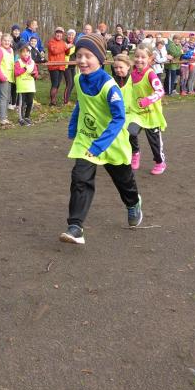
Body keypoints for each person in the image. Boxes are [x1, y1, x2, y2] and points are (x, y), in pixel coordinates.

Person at [60, 33, 142, 245]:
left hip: (111, 142)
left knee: (124, 181)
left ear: (100, 58)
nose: (82, 60)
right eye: (79, 55)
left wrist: (100, 146)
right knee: (80, 178)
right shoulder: (78, 79)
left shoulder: (109, 87)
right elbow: (81, 104)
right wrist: (73, 127)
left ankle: (133, 203)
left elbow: (119, 118)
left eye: (88, 56)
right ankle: (75, 227)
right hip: (86, 139)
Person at [127, 45, 167, 174]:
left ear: (149, 59)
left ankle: (160, 162)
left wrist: (148, 100)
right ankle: (135, 153)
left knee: (154, 142)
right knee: (129, 132)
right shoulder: (132, 74)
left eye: (143, 57)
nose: (139, 59)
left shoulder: (151, 74)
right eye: (137, 56)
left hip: (151, 114)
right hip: (136, 113)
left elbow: (160, 91)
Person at [15, 43, 39, 126]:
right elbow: (16, 73)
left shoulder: (32, 62)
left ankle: (27, 117)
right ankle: (21, 118)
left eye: (27, 52)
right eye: (23, 52)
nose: (25, 53)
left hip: (30, 85)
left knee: (30, 102)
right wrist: (25, 68)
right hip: (22, 85)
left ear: (29, 53)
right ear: (21, 53)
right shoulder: (18, 62)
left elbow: (36, 72)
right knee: (22, 103)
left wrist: (34, 74)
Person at [0, 33, 15, 126]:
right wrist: (1, 77)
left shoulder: (11, 50)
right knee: (3, 97)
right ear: (1, 41)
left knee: (7, 98)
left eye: (8, 41)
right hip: (2, 77)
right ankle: (2, 119)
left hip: (9, 77)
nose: (7, 42)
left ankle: (4, 116)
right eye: (5, 40)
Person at [46, 27, 68, 105]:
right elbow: (54, 51)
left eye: (60, 33)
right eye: (57, 33)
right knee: (55, 84)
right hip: (53, 66)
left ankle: (54, 99)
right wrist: (65, 47)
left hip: (61, 66)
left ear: (62, 35)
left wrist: (69, 47)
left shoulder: (63, 42)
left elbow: (67, 52)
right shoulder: (51, 42)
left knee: (58, 84)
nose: (59, 34)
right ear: (55, 34)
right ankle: (52, 101)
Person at [63, 29, 77, 103]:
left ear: (74, 36)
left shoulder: (74, 43)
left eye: (72, 35)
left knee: (73, 83)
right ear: (67, 35)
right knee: (69, 83)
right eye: (69, 35)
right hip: (66, 65)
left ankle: (67, 98)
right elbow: (67, 53)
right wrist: (72, 47)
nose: (70, 36)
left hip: (73, 65)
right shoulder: (64, 43)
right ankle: (66, 101)